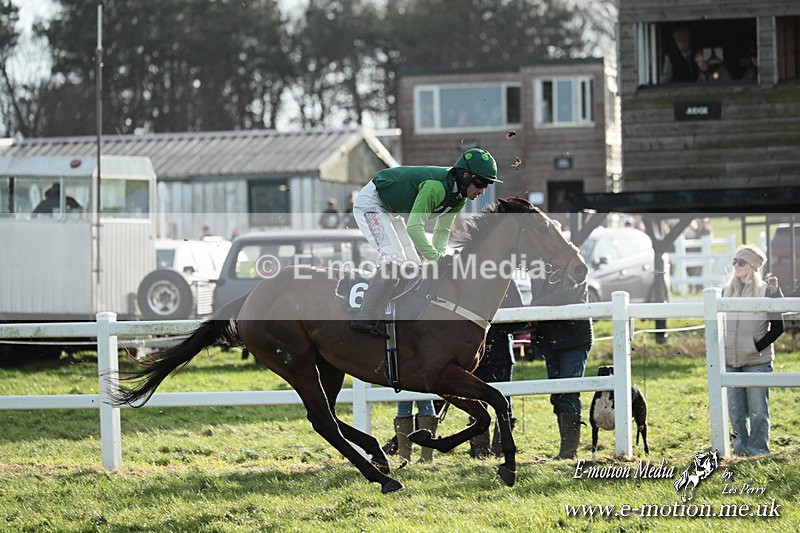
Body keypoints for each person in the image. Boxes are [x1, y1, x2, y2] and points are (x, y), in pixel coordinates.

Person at [350, 147, 502, 337]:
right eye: (480, 183)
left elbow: (442, 230)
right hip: (371, 203)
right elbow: (414, 228)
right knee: (395, 259)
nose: (482, 190)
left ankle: (392, 316)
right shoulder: (435, 187)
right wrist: (436, 258)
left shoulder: (459, 199)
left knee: (413, 266)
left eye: (487, 185)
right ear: (465, 176)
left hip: (392, 210)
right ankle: (365, 316)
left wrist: (438, 257)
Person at [722, 244, 784, 457]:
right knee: (735, 410)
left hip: (757, 361)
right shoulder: (725, 292)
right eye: (734, 261)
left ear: (753, 266)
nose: (736, 266)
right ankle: (740, 450)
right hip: (730, 360)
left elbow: (778, 327)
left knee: (758, 410)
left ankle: (758, 451)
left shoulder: (766, 291)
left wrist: (756, 347)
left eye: (741, 262)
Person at [529, 274, 593, 460]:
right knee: (558, 395)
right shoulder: (539, 271)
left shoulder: (574, 267)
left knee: (568, 393)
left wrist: (533, 307)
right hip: (551, 340)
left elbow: (567, 295)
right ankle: (566, 451)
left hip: (573, 339)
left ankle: (568, 452)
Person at [469, 282, 525, 458]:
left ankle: (501, 447)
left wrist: (494, 330)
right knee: (475, 400)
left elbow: (519, 316)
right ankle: (479, 449)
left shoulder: (507, 282)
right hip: (472, 351)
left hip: (499, 351)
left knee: (503, 400)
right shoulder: (467, 279)